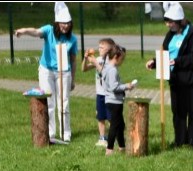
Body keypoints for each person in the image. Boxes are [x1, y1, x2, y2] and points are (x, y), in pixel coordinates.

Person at [14, 2, 79, 143]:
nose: (65, 26)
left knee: (64, 103)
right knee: (49, 101)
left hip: (64, 72)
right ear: (57, 23)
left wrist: (73, 80)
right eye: (63, 23)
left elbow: (73, 61)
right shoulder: (49, 31)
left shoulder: (73, 39)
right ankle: (51, 132)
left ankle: (65, 133)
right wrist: (24, 31)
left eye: (68, 23)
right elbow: (36, 32)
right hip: (46, 70)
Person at [146, 3, 193, 148]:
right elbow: (166, 54)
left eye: (171, 22)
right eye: (167, 22)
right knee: (178, 111)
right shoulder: (170, 35)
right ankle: (180, 141)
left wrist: (178, 61)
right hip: (176, 79)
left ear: (180, 21)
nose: (168, 25)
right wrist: (155, 62)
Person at [101, 46, 136, 155]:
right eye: (122, 59)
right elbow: (113, 87)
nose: (123, 61)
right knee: (115, 126)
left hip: (112, 101)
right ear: (116, 57)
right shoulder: (112, 70)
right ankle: (109, 150)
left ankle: (122, 147)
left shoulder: (107, 68)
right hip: (115, 102)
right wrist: (127, 86)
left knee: (120, 125)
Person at [83, 38, 116, 147]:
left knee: (110, 117)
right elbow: (84, 69)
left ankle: (113, 137)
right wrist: (85, 59)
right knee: (100, 117)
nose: (99, 49)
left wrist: (95, 62)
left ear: (109, 49)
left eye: (102, 47)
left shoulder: (111, 60)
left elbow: (104, 73)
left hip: (109, 94)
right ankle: (102, 137)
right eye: (99, 47)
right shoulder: (98, 59)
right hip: (100, 93)